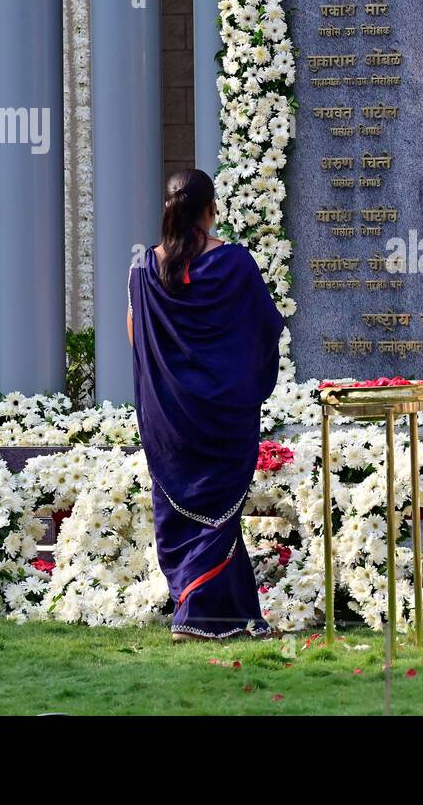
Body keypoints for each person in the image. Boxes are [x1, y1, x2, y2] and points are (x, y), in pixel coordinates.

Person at [127, 168, 285, 642]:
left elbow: (135, 333)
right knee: (219, 511)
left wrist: (167, 375)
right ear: (210, 209)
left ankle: (232, 615)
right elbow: (265, 325)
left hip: (169, 411)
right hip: (222, 410)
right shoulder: (235, 263)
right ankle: (194, 614)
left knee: (187, 510)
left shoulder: (143, 268)